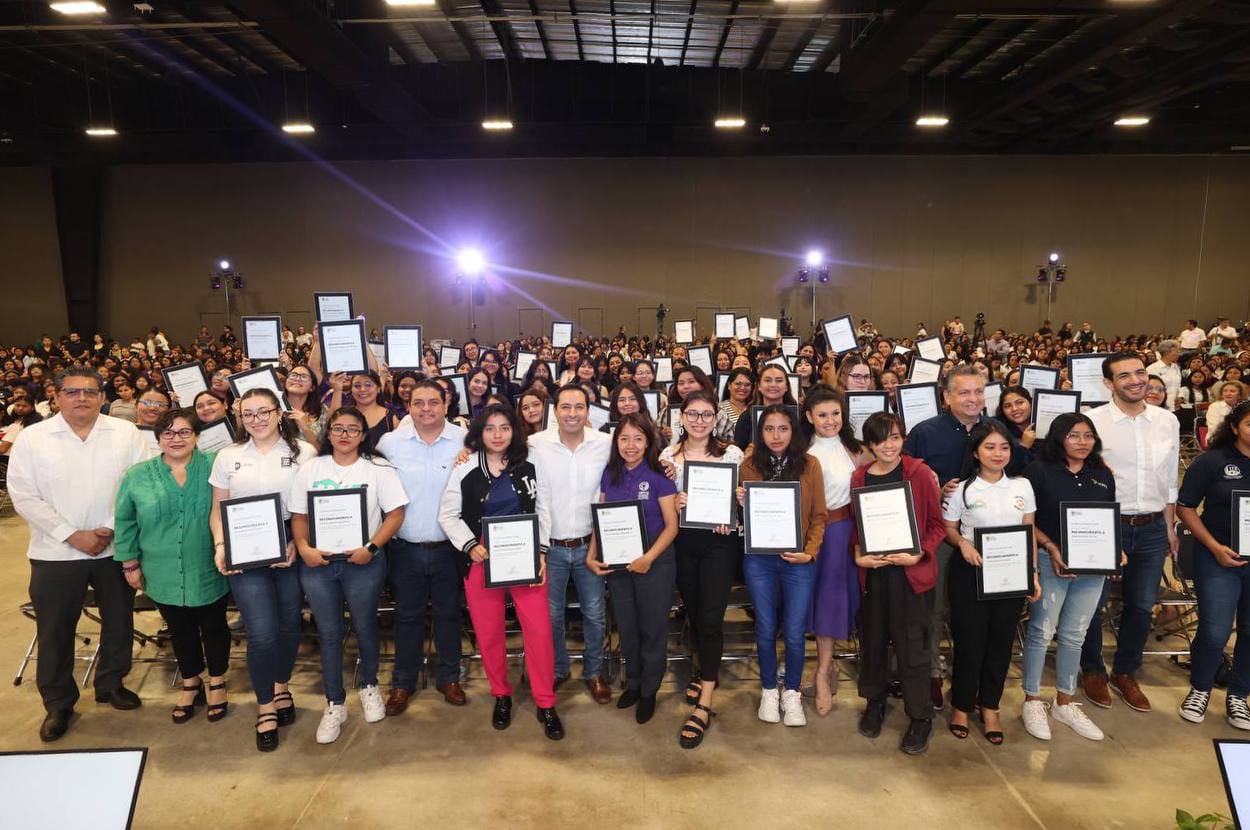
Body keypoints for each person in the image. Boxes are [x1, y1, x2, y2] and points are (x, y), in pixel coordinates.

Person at [7, 367, 149, 742]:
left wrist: (110, 528)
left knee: (118, 619)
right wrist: (72, 535)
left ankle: (111, 683)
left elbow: (140, 484)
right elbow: (23, 495)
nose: (81, 398)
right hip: (55, 552)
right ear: (55, 397)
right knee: (55, 629)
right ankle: (58, 702)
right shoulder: (33, 439)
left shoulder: (126, 433)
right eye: (72, 392)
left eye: (90, 391)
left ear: (102, 397)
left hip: (114, 547)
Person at [439, 404, 564, 740]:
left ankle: (545, 701)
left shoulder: (530, 462)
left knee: (539, 630)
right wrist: (469, 546)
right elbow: (447, 515)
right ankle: (501, 695)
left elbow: (543, 507)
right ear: (479, 432)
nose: (497, 435)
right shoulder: (465, 466)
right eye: (490, 428)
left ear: (514, 430)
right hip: (481, 556)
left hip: (526, 551)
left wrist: (541, 551)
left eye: (504, 428)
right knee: (489, 631)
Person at [903, 365, 1024, 709]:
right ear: (947, 397)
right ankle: (932, 672)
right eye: (964, 392)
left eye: (978, 392)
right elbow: (904, 483)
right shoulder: (925, 433)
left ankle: (969, 679)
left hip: (991, 540)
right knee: (934, 609)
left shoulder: (997, 430)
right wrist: (935, 490)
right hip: (940, 536)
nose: (973, 399)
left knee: (978, 615)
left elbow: (1018, 476)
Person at [290, 407, 408, 744]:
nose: (344, 435)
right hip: (319, 564)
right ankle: (334, 703)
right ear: (328, 433)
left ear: (363, 434)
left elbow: (395, 513)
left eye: (352, 429)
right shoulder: (311, 468)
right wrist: (304, 548)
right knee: (329, 633)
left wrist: (371, 547)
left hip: (363, 562)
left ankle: (369, 686)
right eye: (338, 428)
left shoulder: (378, 468)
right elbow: (299, 516)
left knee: (365, 625)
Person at [209, 388, 318, 752]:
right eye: (248, 414)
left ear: (278, 413)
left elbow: (311, 506)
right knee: (261, 632)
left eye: (263, 412)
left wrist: (298, 542)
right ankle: (266, 705)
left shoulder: (303, 452)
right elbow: (218, 509)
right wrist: (221, 545)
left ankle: (281, 685)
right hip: (244, 546)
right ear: (240, 417)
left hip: (289, 542)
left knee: (289, 624)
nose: (256, 420)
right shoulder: (228, 456)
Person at [1079, 353, 1180, 713]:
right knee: (1092, 603)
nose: (1136, 380)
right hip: (1107, 526)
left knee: (1141, 604)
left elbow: (1169, 481)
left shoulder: (1167, 421)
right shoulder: (1092, 422)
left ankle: (1125, 671)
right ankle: (1093, 669)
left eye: (1140, 372)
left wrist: (1170, 528)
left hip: (1152, 527)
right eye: (1125, 376)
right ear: (1109, 383)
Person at [114, 408, 229, 725]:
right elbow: (125, 520)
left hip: (208, 564)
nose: (176, 439)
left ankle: (217, 681)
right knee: (179, 629)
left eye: (184, 432)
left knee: (215, 627)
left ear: (197, 436)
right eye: (168, 433)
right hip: (160, 568)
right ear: (158, 438)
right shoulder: (138, 475)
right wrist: (129, 562)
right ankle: (191, 681)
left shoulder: (215, 465)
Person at [851, 411, 944, 755]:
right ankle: (874, 701)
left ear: (903, 438)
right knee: (873, 642)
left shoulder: (919, 473)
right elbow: (857, 526)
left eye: (894, 437)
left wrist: (919, 553)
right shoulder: (860, 476)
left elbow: (936, 525)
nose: (888, 446)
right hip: (874, 574)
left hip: (910, 575)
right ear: (870, 445)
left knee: (912, 647)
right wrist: (858, 554)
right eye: (880, 440)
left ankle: (920, 715)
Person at [1021, 413, 1118, 742]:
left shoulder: (1102, 474)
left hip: (1092, 568)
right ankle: (1032, 700)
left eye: (1088, 436)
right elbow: (1026, 520)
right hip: (1050, 562)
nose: (1082, 442)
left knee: (1075, 634)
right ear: (1058, 438)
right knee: (1041, 632)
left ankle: (1064, 701)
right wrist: (1050, 548)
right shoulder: (1038, 471)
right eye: (1074, 436)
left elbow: (1107, 517)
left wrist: (1115, 549)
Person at [375, 381, 470, 715]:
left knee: (449, 614)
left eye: (433, 402)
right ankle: (403, 682)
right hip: (406, 548)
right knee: (407, 616)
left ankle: (449, 677)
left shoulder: (464, 440)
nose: (426, 408)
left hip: (450, 547)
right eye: (418, 403)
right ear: (408, 406)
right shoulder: (390, 443)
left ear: (446, 404)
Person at [942, 421, 1039, 744]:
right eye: (990, 447)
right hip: (971, 571)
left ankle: (990, 707)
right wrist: (962, 544)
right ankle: (961, 705)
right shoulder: (962, 489)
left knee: (1001, 641)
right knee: (969, 641)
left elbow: (1029, 531)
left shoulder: (1022, 486)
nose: (998, 454)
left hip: (1010, 574)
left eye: (1004, 447)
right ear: (975, 452)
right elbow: (948, 527)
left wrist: (1032, 573)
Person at [658, 391, 743, 746]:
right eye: (692, 414)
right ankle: (703, 669)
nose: (699, 421)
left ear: (716, 418)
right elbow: (659, 505)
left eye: (707, 414)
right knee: (693, 613)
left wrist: (736, 505)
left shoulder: (732, 454)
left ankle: (705, 704)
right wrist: (675, 502)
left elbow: (739, 501)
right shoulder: (667, 457)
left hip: (719, 544)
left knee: (710, 618)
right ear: (681, 417)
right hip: (683, 543)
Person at [737, 405, 827, 728]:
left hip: (798, 560)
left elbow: (819, 516)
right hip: (759, 559)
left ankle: (791, 692)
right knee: (764, 627)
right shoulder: (748, 466)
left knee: (794, 630)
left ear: (794, 431)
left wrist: (810, 553)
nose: (776, 436)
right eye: (769, 429)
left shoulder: (810, 465)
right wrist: (740, 503)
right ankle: (768, 690)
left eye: (783, 428)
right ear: (760, 433)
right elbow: (741, 520)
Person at [588, 414, 679, 725]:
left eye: (638, 439)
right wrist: (592, 554)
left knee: (652, 628)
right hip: (619, 559)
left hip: (654, 559)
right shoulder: (610, 474)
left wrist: (649, 558)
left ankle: (650, 690)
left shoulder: (659, 475)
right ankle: (635, 683)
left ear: (648, 442)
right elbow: (601, 518)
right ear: (616, 442)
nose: (631, 445)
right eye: (624, 438)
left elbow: (671, 526)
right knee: (627, 626)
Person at [527, 385, 614, 703]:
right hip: (549, 547)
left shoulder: (605, 443)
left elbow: (637, 462)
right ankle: (559, 668)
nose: (572, 413)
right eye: (565, 407)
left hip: (590, 546)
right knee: (551, 616)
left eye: (579, 407)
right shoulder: (536, 444)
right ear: (555, 411)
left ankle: (593, 672)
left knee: (594, 614)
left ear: (589, 411)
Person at [1175, 400, 1250, 730]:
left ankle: (1239, 695)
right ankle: (1200, 688)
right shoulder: (1212, 461)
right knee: (1215, 630)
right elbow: (1185, 507)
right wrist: (1214, 547)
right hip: (1218, 557)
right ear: (1234, 427)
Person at [800, 387, 869, 717]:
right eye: (822, 415)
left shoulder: (855, 450)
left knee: (831, 602)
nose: (830, 421)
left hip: (842, 532)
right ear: (809, 417)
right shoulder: (801, 450)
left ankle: (823, 671)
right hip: (808, 534)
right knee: (811, 601)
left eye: (836, 414)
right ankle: (823, 667)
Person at [732, 364, 798, 449]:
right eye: (767, 380)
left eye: (779, 380)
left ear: (786, 387)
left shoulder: (798, 415)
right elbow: (739, 450)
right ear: (759, 386)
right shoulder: (747, 417)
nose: (773, 385)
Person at [1147, 339, 1182, 410]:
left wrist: (1180, 397)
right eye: (1176, 352)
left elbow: (1178, 385)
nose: (1178, 354)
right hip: (1158, 407)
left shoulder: (1176, 367)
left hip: (1174, 407)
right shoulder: (1152, 369)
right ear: (1166, 352)